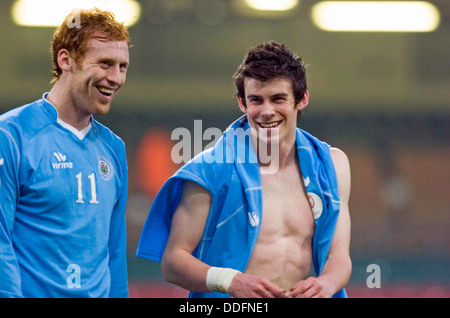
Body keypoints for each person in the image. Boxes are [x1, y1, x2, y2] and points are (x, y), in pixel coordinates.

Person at [137, 41, 351, 298]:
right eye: (256, 100)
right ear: (242, 102)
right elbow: (173, 262)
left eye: (278, 99)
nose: (267, 111)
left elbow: (339, 258)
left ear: (302, 99)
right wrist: (230, 281)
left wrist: (325, 284)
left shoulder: (334, 165)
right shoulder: (209, 170)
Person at [0, 8, 130, 297]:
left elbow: (115, 252)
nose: (116, 78)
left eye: (123, 67)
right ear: (66, 59)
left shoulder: (113, 148)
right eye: (105, 63)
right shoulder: (11, 136)